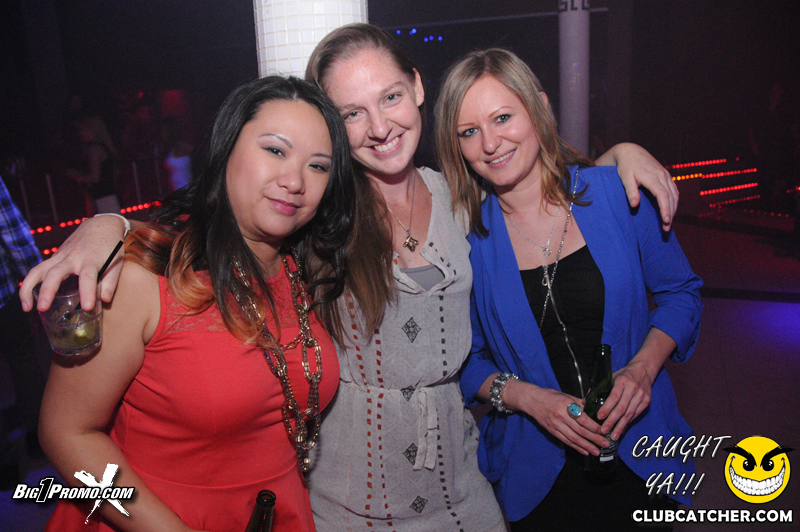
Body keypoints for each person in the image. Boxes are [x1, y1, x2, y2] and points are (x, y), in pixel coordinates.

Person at [23, 25, 680, 532]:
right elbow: (220, 221)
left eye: (390, 96)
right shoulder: (318, 218)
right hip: (344, 508)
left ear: (417, 87)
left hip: (461, 493)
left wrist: (616, 159)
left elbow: (535, 190)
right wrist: (106, 228)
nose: (381, 125)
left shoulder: (459, 199)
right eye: (351, 113)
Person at [39, 76, 354, 532]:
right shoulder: (142, 277)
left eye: (318, 166)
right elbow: (66, 433)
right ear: (226, 149)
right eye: (275, 150)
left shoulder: (305, 269)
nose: (294, 181)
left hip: (278, 513)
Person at [436, 49, 702, 531]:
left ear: (539, 107)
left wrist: (643, 369)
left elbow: (680, 293)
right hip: (538, 476)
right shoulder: (467, 241)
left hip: (644, 454)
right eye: (468, 132)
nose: (490, 143)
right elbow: (463, 360)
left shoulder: (618, 192)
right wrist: (527, 399)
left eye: (502, 118)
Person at [0, 176, 44, 490]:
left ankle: (4, 464)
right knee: (24, 363)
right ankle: (38, 439)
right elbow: (11, 231)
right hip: (3, 297)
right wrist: (38, 281)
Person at [66, 114, 122, 214]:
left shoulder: (94, 149)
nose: (80, 134)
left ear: (91, 130)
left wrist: (77, 176)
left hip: (103, 197)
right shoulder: (105, 146)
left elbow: (95, 177)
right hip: (109, 195)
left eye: (82, 130)